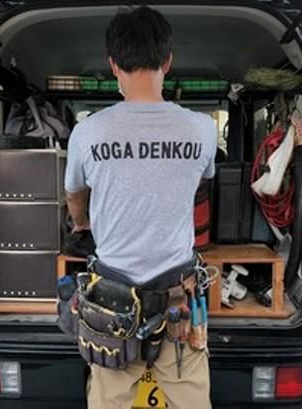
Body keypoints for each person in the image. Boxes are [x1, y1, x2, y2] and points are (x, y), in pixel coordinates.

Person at [64, 6, 216, 409]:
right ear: (167, 61)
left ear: (114, 64)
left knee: (108, 399)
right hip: (178, 300)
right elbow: (201, 180)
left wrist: (81, 224)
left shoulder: (87, 132)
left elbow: (74, 196)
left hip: (110, 304)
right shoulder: (202, 130)